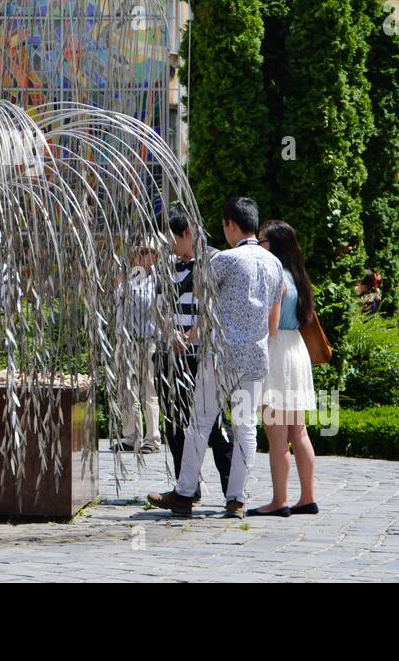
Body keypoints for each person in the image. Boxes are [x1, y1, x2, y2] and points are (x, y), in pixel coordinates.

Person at [149, 196, 283, 518]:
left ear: (231, 225)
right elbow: (273, 321)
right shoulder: (274, 263)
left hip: (221, 356)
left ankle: (184, 493)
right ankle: (236, 499)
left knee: (200, 422)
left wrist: (193, 335)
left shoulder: (225, 260)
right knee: (246, 428)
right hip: (256, 356)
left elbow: (202, 301)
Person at [152, 208, 231, 499]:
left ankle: (232, 491)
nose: (168, 245)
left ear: (187, 233)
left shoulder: (214, 262)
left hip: (202, 353)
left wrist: (192, 334)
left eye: (171, 238)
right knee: (174, 422)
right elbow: (157, 306)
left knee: (214, 422)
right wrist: (168, 332)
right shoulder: (166, 266)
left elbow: (216, 307)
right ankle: (186, 488)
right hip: (169, 354)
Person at [250, 220, 318, 517]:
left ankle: (279, 500)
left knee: (276, 436)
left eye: (262, 241)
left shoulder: (275, 276)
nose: (258, 245)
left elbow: (272, 325)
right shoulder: (299, 277)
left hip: (277, 352)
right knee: (298, 432)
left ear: (273, 245)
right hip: (297, 351)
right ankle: (307, 497)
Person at [111, 245, 161, 454]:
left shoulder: (159, 280)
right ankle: (130, 435)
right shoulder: (129, 277)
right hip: (127, 340)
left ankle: (152, 438)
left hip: (148, 340)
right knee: (127, 389)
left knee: (149, 390)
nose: (142, 256)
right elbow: (117, 303)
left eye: (147, 252)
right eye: (139, 252)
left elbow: (153, 307)